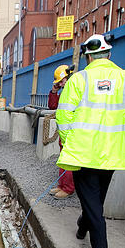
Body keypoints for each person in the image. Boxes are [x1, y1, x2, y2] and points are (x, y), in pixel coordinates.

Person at [56, 34, 125, 248]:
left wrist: (71, 142)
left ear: (88, 57)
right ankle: (82, 225)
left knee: (91, 200)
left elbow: (63, 116)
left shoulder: (78, 81)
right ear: (109, 55)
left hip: (84, 152)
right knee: (96, 198)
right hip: (113, 153)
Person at [48, 64, 75, 199]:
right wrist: (54, 92)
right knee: (63, 159)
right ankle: (62, 185)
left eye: (60, 81)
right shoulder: (66, 91)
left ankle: (68, 188)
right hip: (64, 131)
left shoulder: (75, 89)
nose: (60, 84)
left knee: (69, 159)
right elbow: (53, 106)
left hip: (72, 131)